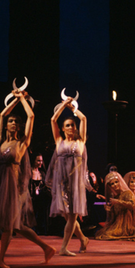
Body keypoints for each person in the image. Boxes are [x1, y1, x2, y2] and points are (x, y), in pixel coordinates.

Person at [0, 89, 55, 268]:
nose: (13, 123)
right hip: (1, 187)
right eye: (11, 121)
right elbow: (2, 114)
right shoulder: (1, 141)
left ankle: (1, 259)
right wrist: (14, 99)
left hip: (13, 189)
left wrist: (23, 99)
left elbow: (31, 116)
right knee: (16, 226)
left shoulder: (22, 143)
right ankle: (47, 248)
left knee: (10, 226)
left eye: (16, 121)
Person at [45, 96, 92, 256]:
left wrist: (73, 109)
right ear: (63, 129)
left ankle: (64, 247)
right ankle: (83, 239)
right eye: (67, 125)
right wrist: (64, 104)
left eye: (72, 125)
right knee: (68, 218)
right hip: (61, 184)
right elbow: (53, 119)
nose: (71, 127)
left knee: (72, 217)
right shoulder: (59, 141)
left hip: (75, 184)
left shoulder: (80, 142)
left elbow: (84, 118)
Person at [95, 172, 135, 241]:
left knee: (109, 234)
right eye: (112, 184)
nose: (115, 185)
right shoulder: (115, 197)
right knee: (104, 233)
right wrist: (109, 210)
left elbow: (132, 205)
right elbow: (114, 217)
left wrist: (118, 202)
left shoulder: (127, 193)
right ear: (110, 187)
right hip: (118, 224)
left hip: (128, 224)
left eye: (116, 182)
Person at [29, 152, 51, 235]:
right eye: (38, 161)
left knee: (42, 213)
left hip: (42, 199)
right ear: (33, 161)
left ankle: (42, 229)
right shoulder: (29, 172)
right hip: (31, 198)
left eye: (41, 161)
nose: (40, 163)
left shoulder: (42, 173)